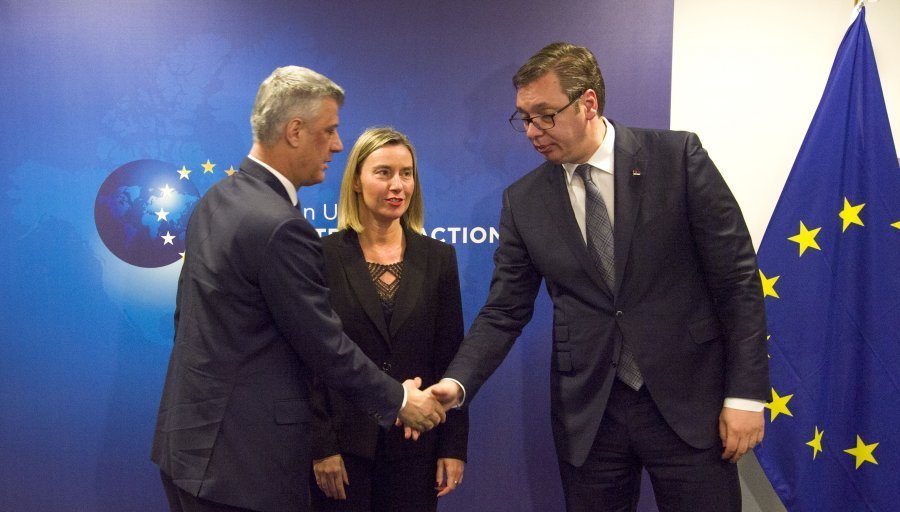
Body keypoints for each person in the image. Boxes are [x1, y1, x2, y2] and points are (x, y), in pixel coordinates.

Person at [429, 42, 770, 512]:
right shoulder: (523, 201)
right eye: (524, 118)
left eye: (545, 115)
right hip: (590, 415)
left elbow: (737, 281)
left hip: (689, 404)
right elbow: (505, 310)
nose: (532, 131)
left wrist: (746, 395)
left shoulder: (677, 158)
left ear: (588, 103)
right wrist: (458, 382)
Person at [151, 67, 446, 512]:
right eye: (329, 130)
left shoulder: (218, 198)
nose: (337, 145)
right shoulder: (280, 226)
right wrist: (401, 399)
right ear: (294, 131)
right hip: (242, 467)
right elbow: (324, 345)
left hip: (189, 448)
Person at [309, 127, 468, 512]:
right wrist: (321, 446)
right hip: (343, 452)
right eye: (384, 172)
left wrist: (452, 447)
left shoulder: (439, 258)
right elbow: (311, 360)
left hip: (417, 448)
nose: (398, 185)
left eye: (406, 173)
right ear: (356, 181)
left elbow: (451, 356)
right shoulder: (321, 256)